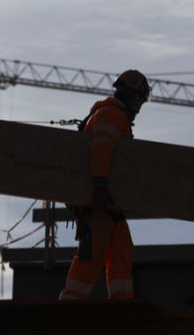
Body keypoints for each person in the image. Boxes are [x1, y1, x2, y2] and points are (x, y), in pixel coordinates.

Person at [59, 69, 151, 300]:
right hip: (99, 201)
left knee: (121, 251)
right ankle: (70, 302)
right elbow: (102, 148)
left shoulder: (113, 116)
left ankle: (122, 301)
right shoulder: (112, 115)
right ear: (132, 97)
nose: (139, 108)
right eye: (140, 101)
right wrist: (99, 187)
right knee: (93, 255)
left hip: (109, 203)